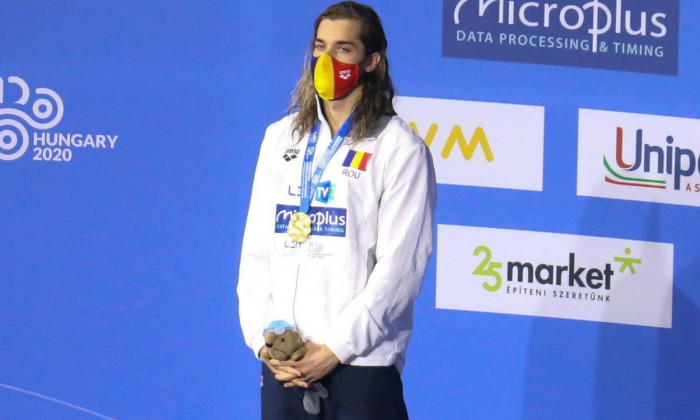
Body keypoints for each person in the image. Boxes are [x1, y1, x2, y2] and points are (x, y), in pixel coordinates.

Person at [237, 2, 436, 418]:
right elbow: (257, 251)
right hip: (285, 366)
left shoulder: (399, 148)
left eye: (343, 49)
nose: (326, 60)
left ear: (372, 61)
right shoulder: (280, 137)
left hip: (359, 366)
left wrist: (334, 350)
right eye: (319, 46)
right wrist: (264, 340)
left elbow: (401, 271)